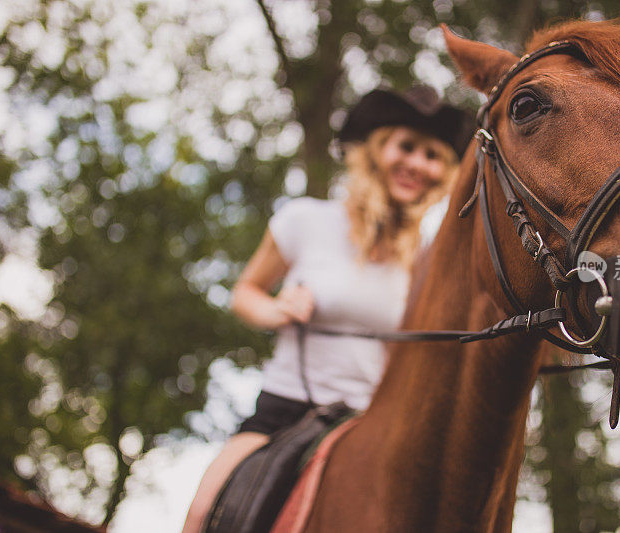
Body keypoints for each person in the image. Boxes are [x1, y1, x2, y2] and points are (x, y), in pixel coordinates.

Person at [182, 85, 473, 532]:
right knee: (204, 513)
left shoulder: (427, 261)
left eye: (433, 155)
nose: (418, 163)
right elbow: (246, 291)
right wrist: (277, 309)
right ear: (377, 150)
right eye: (407, 146)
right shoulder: (306, 220)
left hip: (370, 424)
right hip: (284, 413)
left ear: (446, 172)